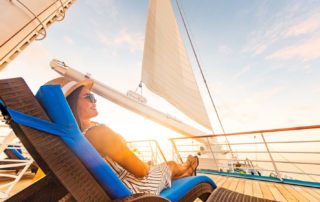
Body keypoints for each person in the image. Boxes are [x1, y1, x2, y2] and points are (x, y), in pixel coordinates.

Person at [46, 77, 199, 195]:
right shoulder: (98, 133)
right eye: (89, 97)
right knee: (170, 164)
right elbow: (141, 171)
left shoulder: (73, 138)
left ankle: (185, 170)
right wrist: (147, 166)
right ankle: (186, 168)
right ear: (71, 104)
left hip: (113, 190)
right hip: (136, 192)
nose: (95, 100)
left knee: (164, 168)